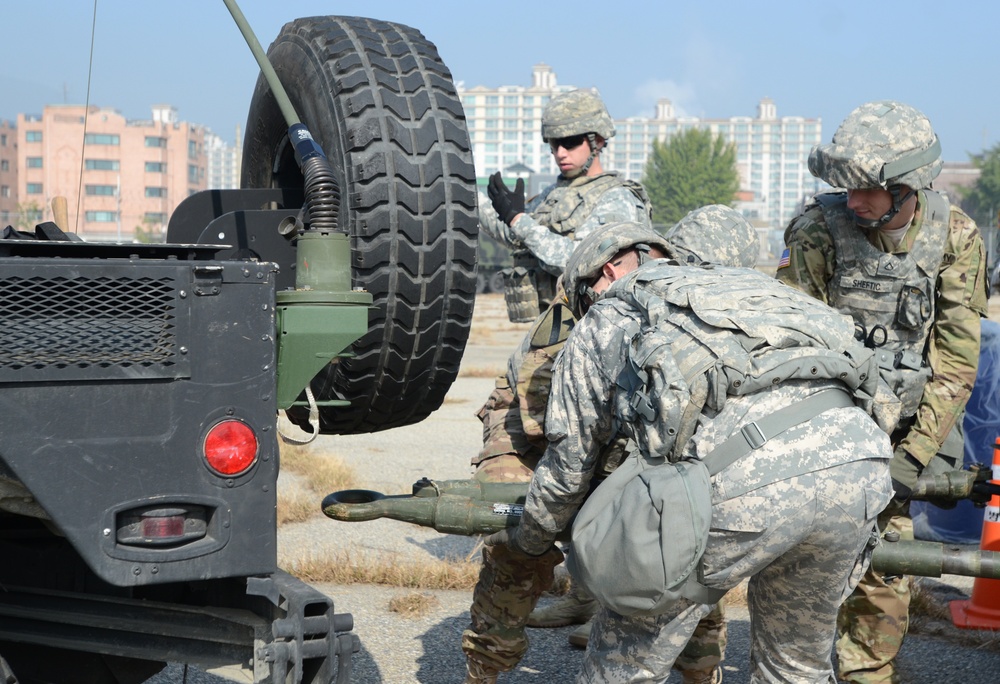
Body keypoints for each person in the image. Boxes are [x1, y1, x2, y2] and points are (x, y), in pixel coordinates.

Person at [476, 219, 897, 683]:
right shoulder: (750, 287)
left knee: (625, 663)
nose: (586, 308)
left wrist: (531, 540)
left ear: (610, 270)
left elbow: (567, 468)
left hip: (748, 484)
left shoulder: (610, 313)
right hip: (859, 469)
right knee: (795, 667)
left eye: (583, 297)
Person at [463, 207, 755, 684]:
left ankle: (702, 670)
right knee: (514, 539)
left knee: (687, 540)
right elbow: (555, 436)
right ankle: (486, 666)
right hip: (531, 428)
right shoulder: (578, 310)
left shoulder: (686, 304)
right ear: (615, 268)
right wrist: (553, 519)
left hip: (618, 440)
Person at [776, 100, 989, 683]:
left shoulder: (956, 237)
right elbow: (793, 349)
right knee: (805, 563)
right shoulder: (819, 230)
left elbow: (954, 360)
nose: (854, 200)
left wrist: (911, 457)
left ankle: (866, 670)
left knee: (885, 566)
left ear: (909, 186)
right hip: (824, 426)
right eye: (847, 186)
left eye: (869, 188)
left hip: (906, 433)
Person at [479, 88, 651, 322]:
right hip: (552, 324)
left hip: (594, 325)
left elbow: (579, 261)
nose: (560, 153)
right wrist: (468, 194)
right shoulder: (554, 194)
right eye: (554, 144)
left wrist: (518, 220)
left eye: (570, 142)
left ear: (597, 141)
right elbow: (517, 238)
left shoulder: (617, 197)